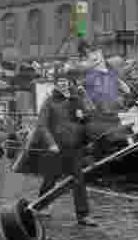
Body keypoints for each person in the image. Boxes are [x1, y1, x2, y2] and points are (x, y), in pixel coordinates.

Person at [35, 75, 97, 226]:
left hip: (74, 146)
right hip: (57, 147)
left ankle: (83, 215)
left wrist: (84, 116)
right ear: (56, 85)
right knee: (50, 179)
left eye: (65, 82)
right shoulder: (49, 101)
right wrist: (51, 143)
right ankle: (41, 205)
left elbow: (88, 118)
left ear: (69, 84)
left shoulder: (76, 100)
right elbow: (42, 125)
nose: (63, 84)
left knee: (79, 181)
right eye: (60, 82)